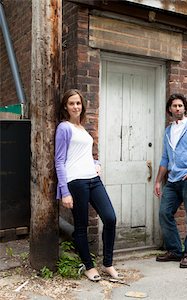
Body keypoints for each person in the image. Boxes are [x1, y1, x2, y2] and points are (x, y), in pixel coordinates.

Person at [55, 89, 123, 282]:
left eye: (78, 103)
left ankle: (107, 263)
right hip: (76, 182)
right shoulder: (64, 128)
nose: (76, 106)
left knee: (110, 218)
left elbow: (85, 155)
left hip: (93, 179)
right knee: (81, 225)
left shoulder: (82, 129)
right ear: (65, 107)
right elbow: (60, 161)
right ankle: (88, 266)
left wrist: (96, 163)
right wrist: (64, 191)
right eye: (71, 103)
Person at [154, 93, 187, 268]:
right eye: (174, 106)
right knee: (164, 213)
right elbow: (165, 158)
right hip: (173, 180)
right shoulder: (168, 131)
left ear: (185, 108)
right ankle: (175, 250)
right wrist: (157, 181)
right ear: (169, 109)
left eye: (180, 105)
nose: (177, 108)